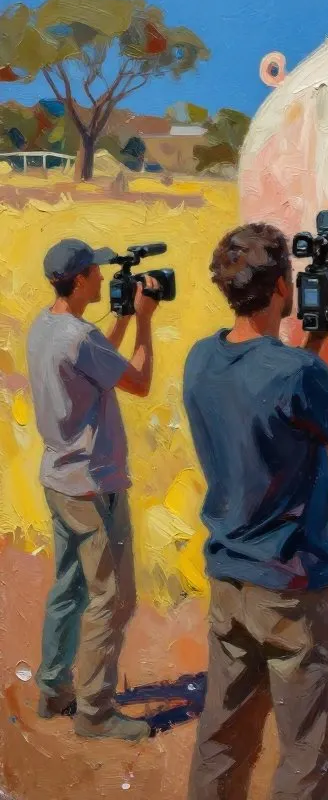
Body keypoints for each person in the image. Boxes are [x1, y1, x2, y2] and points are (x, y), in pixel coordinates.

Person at [183, 222, 328, 800]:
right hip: (294, 589)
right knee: (312, 754)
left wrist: (316, 346)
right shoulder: (296, 373)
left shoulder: (202, 360)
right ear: (280, 289)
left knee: (224, 738)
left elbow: (280, 396)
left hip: (230, 581)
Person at [27, 239, 160, 742]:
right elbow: (140, 382)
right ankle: (95, 712)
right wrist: (144, 319)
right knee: (112, 597)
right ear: (81, 279)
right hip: (91, 482)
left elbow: (93, 364)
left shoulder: (47, 328)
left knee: (68, 586)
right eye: (98, 274)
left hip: (59, 478)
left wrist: (121, 320)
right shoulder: (80, 337)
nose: (105, 281)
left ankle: (54, 687)